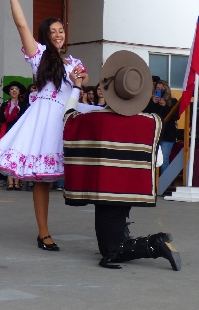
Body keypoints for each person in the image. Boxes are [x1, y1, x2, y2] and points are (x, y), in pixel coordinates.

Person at [0, 0, 89, 251]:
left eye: (61, 30)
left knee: (78, 170)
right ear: (45, 35)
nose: (58, 34)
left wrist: (78, 81)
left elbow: (82, 83)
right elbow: (22, 26)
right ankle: (43, 232)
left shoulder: (74, 62)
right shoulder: (38, 55)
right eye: (53, 31)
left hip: (66, 115)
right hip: (44, 119)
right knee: (42, 180)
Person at [63, 50, 181, 271]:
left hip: (104, 189)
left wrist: (76, 87)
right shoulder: (150, 122)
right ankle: (126, 237)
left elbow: (68, 118)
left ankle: (156, 244)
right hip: (128, 189)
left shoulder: (95, 119)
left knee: (109, 250)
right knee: (108, 242)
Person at [143, 80, 179, 175]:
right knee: (151, 160)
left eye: (162, 88)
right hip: (153, 134)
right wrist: (152, 103)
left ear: (167, 89)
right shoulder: (149, 101)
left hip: (167, 135)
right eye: (157, 88)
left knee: (164, 160)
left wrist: (165, 106)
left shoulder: (173, 101)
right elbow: (144, 114)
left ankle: (164, 184)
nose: (160, 90)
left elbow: (176, 117)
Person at [0, 81, 28, 190]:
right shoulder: (5, 104)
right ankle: (10, 182)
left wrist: (16, 110)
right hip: (8, 131)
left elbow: (25, 119)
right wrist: (7, 113)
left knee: (18, 157)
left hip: (19, 132)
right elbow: (1, 119)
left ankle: (17, 181)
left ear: (19, 92)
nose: (14, 91)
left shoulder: (23, 105)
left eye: (16, 89)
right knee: (8, 156)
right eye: (12, 89)